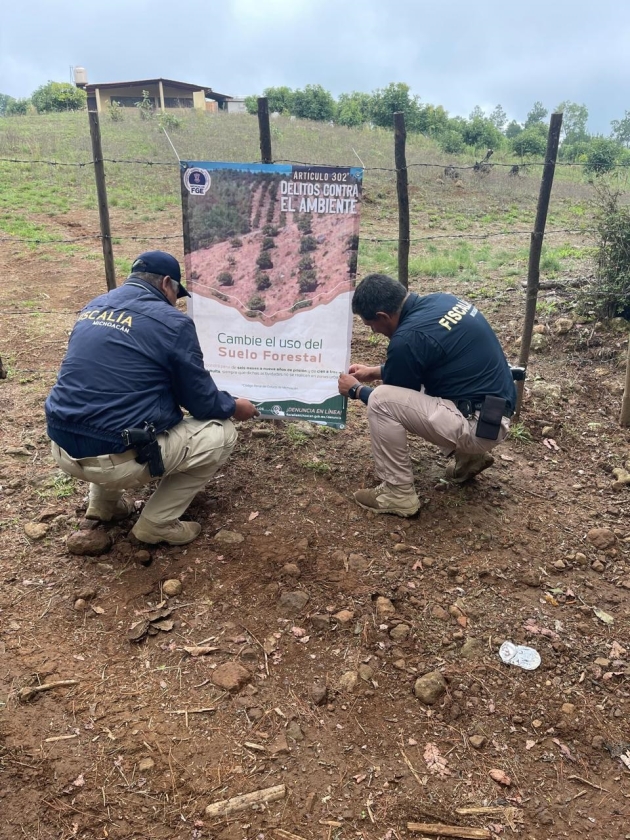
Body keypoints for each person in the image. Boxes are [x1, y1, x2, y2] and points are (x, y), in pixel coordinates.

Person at [45, 251, 259, 545]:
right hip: (117, 460)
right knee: (222, 433)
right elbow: (202, 403)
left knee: (106, 411)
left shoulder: (94, 306)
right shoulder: (173, 323)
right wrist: (235, 407)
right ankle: (157, 525)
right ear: (167, 283)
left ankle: (105, 506)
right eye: (176, 294)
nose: (176, 301)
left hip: (62, 447)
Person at [338, 274, 516, 517]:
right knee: (424, 385)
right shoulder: (442, 301)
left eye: (371, 325)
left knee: (380, 401)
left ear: (383, 316)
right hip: (493, 412)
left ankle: (397, 494)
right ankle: (470, 459)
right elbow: (424, 363)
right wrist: (372, 372)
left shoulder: (407, 339)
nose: (375, 331)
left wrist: (357, 390)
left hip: (477, 426)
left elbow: (395, 396)